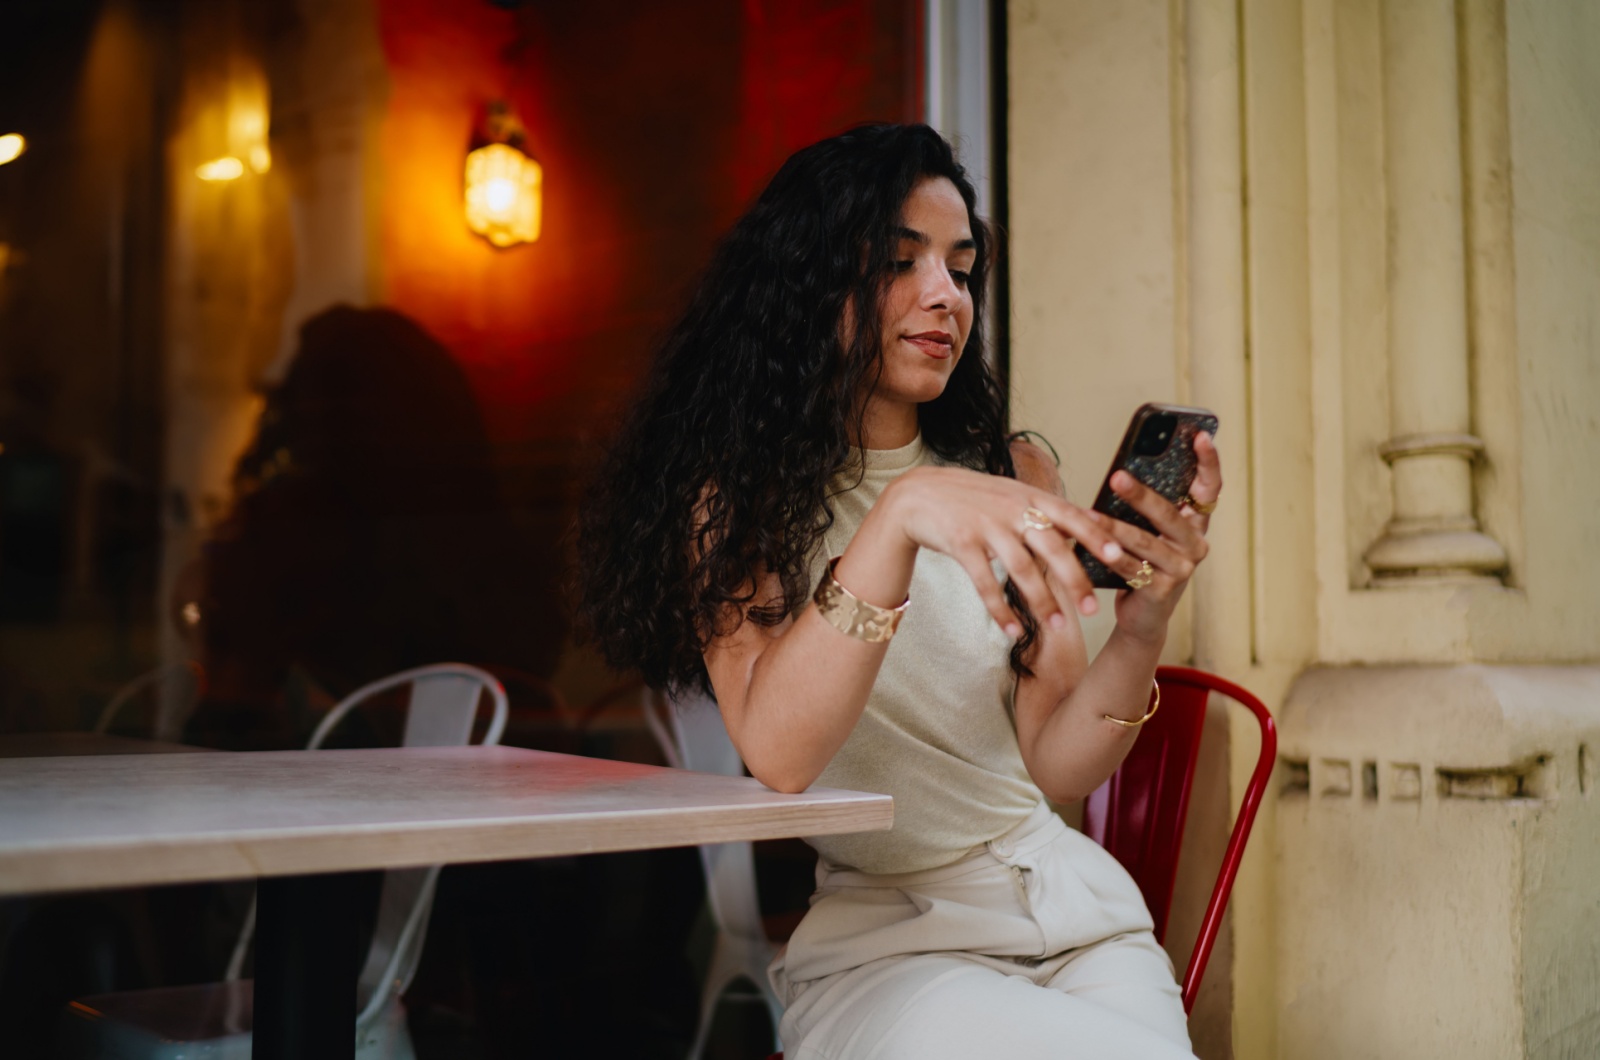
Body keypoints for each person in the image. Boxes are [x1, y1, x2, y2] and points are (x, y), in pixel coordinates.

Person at [577, 124, 1221, 1059]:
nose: (943, 296)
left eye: (960, 269)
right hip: (893, 942)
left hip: (1074, 917)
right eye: (897, 261)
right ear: (810, 284)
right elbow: (782, 755)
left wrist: (1144, 621)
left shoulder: (1012, 470)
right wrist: (900, 515)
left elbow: (1055, 767)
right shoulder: (736, 505)